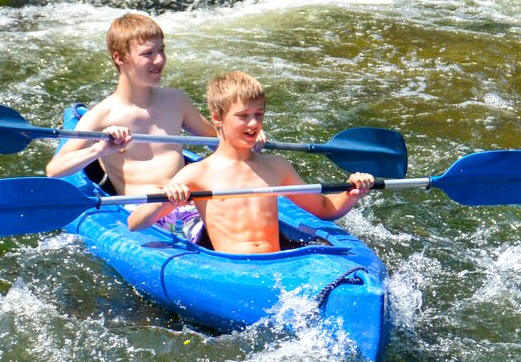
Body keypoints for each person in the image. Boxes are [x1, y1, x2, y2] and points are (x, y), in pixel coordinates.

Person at [127, 71, 374, 254]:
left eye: (258, 115)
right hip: (233, 267)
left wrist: (351, 192)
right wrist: (166, 196)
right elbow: (136, 223)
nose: (254, 123)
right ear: (217, 118)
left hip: (279, 262)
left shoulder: (276, 166)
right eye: (243, 116)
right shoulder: (197, 174)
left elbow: (325, 209)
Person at [46, 12, 216, 196]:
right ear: (120, 58)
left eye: (161, 50)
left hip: (185, 204)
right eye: (148, 53)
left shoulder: (176, 101)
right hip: (141, 211)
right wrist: (99, 149)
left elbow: (217, 141)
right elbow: (54, 170)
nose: (159, 60)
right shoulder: (102, 116)